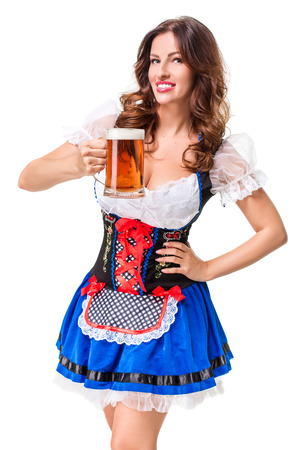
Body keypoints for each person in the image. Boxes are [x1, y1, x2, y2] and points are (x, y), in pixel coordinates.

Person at [18, 16, 287, 450]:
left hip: (168, 310)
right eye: (154, 60)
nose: (161, 72)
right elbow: (27, 178)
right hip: (101, 302)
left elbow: (272, 232)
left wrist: (204, 267)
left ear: (200, 68)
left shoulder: (216, 153)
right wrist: (75, 166)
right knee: (124, 441)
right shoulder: (117, 125)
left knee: (128, 445)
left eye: (176, 60)